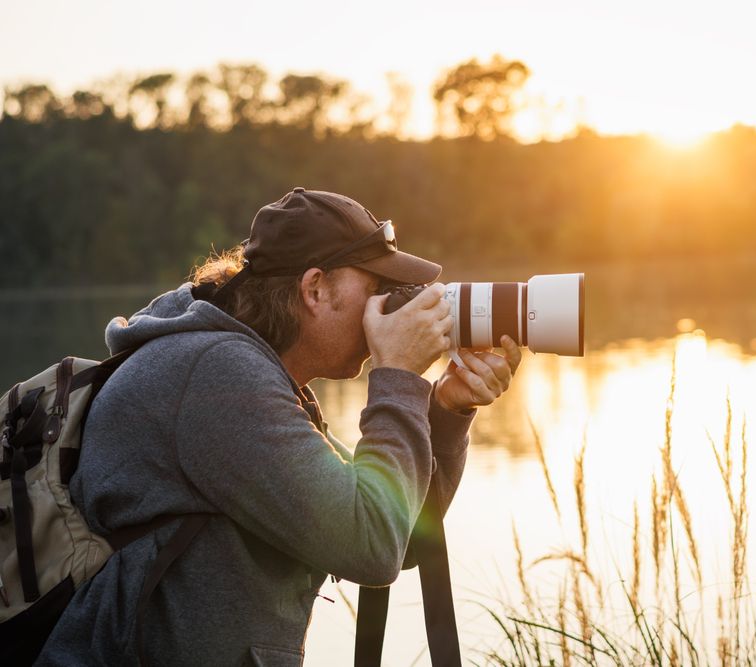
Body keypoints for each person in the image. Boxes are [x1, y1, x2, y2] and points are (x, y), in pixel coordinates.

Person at [36, 188, 521, 666]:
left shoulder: (252, 376)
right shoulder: (214, 375)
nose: (388, 308)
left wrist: (445, 411)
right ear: (314, 288)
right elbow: (374, 545)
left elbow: (404, 536)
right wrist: (397, 376)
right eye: (376, 289)